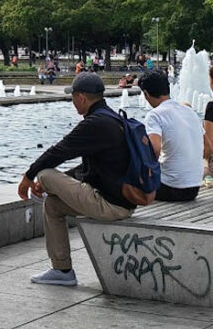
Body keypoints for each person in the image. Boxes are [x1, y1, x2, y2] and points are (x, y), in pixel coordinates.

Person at [18, 72, 134, 286]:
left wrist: (29, 177)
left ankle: (62, 270)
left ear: (81, 98)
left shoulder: (95, 123)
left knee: (45, 173)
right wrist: (57, 185)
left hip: (109, 205)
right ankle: (62, 270)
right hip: (119, 201)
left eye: (73, 98)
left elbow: (59, 151)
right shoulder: (111, 118)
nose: (72, 103)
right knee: (53, 206)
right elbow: (88, 168)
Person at [138, 71, 205, 201]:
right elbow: (207, 146)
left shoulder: (155, 115)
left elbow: (155, 150)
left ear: (146, 94)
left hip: (170, 187)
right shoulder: (190, 111)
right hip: (194, 188)